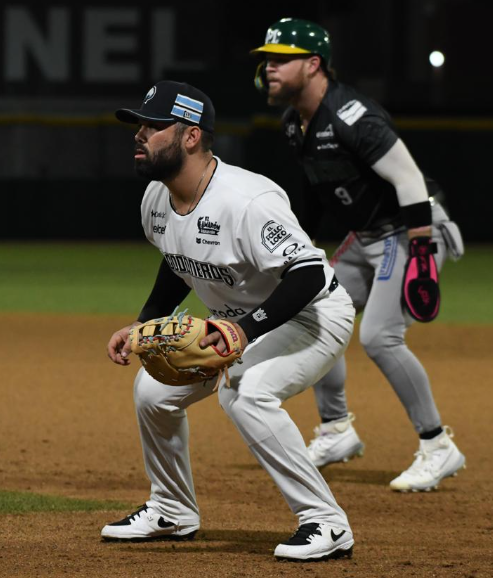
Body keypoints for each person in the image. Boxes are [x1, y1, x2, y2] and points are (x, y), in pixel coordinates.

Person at [102, 80, 357, 561]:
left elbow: (305, 274)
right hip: (240, 319)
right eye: (138, 125)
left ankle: (326, 522)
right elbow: (179, 262)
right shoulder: (156, 200)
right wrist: (144, 324)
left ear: (191, 136)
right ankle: (172, 510)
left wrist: (245, 330)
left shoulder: (247, 200)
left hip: (311, 315)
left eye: (153, 126)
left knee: (244, 391)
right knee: (152, 391)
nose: (139, 134)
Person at [250, 18, 467, 492]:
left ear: (313, 65)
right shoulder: (295, 123)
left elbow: (409, 180)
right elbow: (313, 194)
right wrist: (299, 252)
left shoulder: (353, 116)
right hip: (367, 235)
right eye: (267, 59)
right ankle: (336, 430)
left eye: (281, 59)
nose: (269, 68)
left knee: (380, 337)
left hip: (411, 230)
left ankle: (437, 445)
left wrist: (424, 253)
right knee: (313, 309)